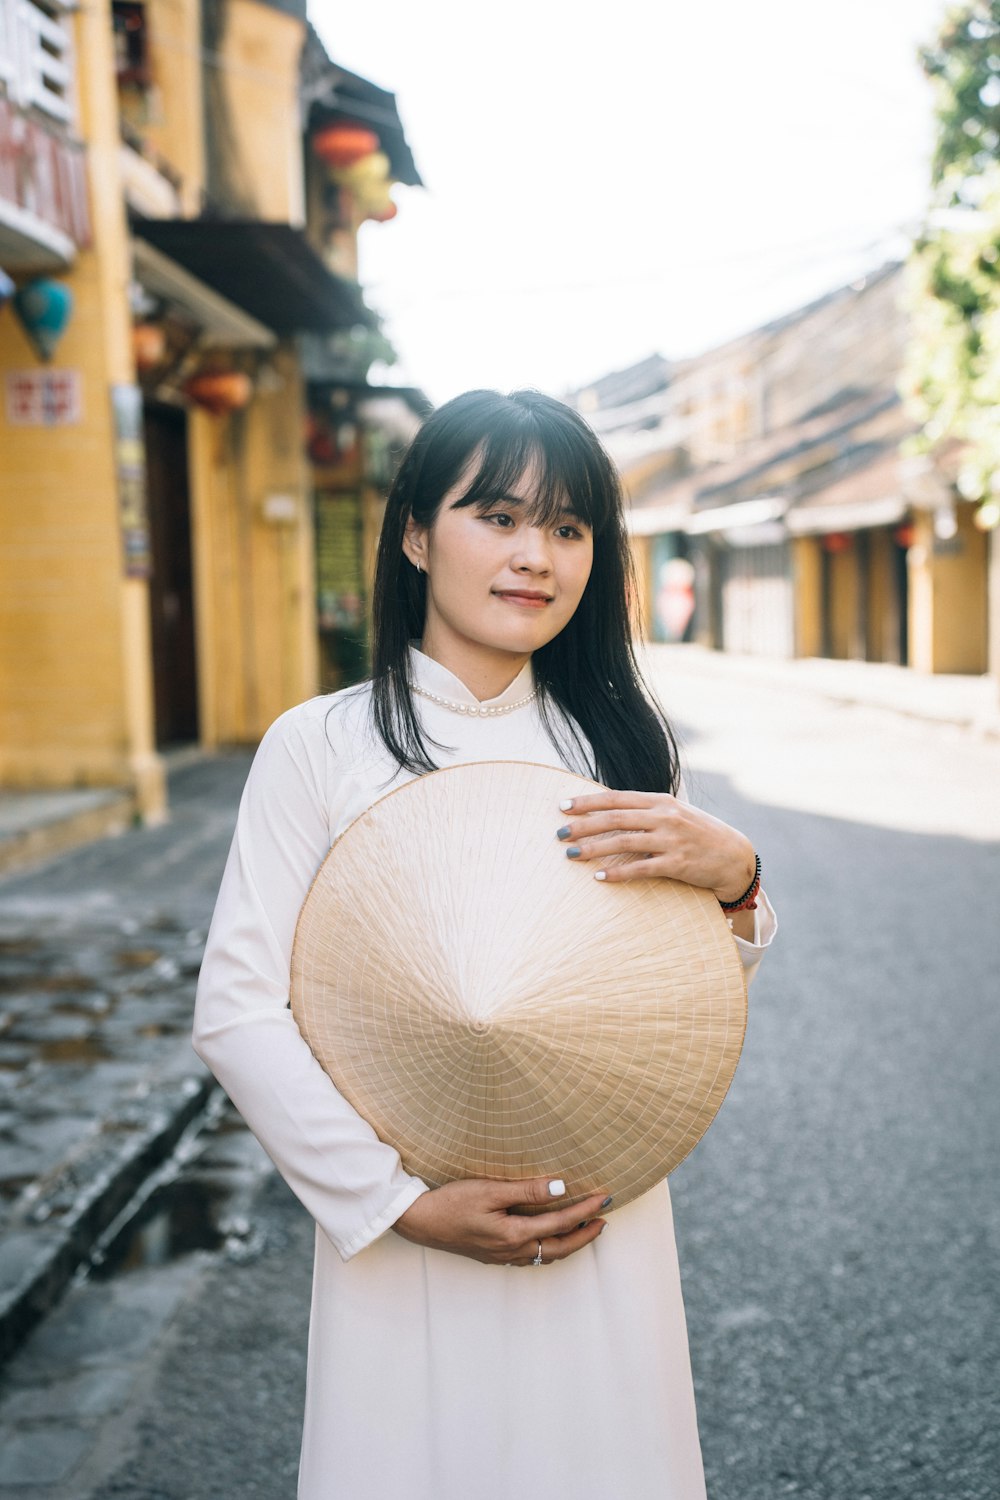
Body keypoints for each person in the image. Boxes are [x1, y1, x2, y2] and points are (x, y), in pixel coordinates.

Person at [193, 388, 776, 1500]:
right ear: (414, 533)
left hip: (597, 1211)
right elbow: (236, 1007)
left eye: (566, 528)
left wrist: (738, 884)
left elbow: (674, 1002)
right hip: (406, 1231)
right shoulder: (322, 746)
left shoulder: (621, 742)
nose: (535, 557)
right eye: (497, 517)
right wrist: (398, 1204)